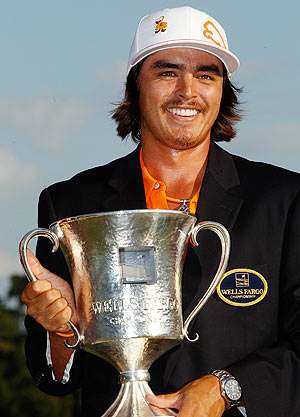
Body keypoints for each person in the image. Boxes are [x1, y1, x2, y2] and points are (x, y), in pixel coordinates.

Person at [20, 6, 300, 417]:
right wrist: (63, 328)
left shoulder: (285, 199)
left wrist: (226, 387)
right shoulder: (71, 203)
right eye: (167, 72)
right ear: (136, 87)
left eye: (207, 74)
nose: (188, 90)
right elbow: (58, 380)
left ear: (223, 92)